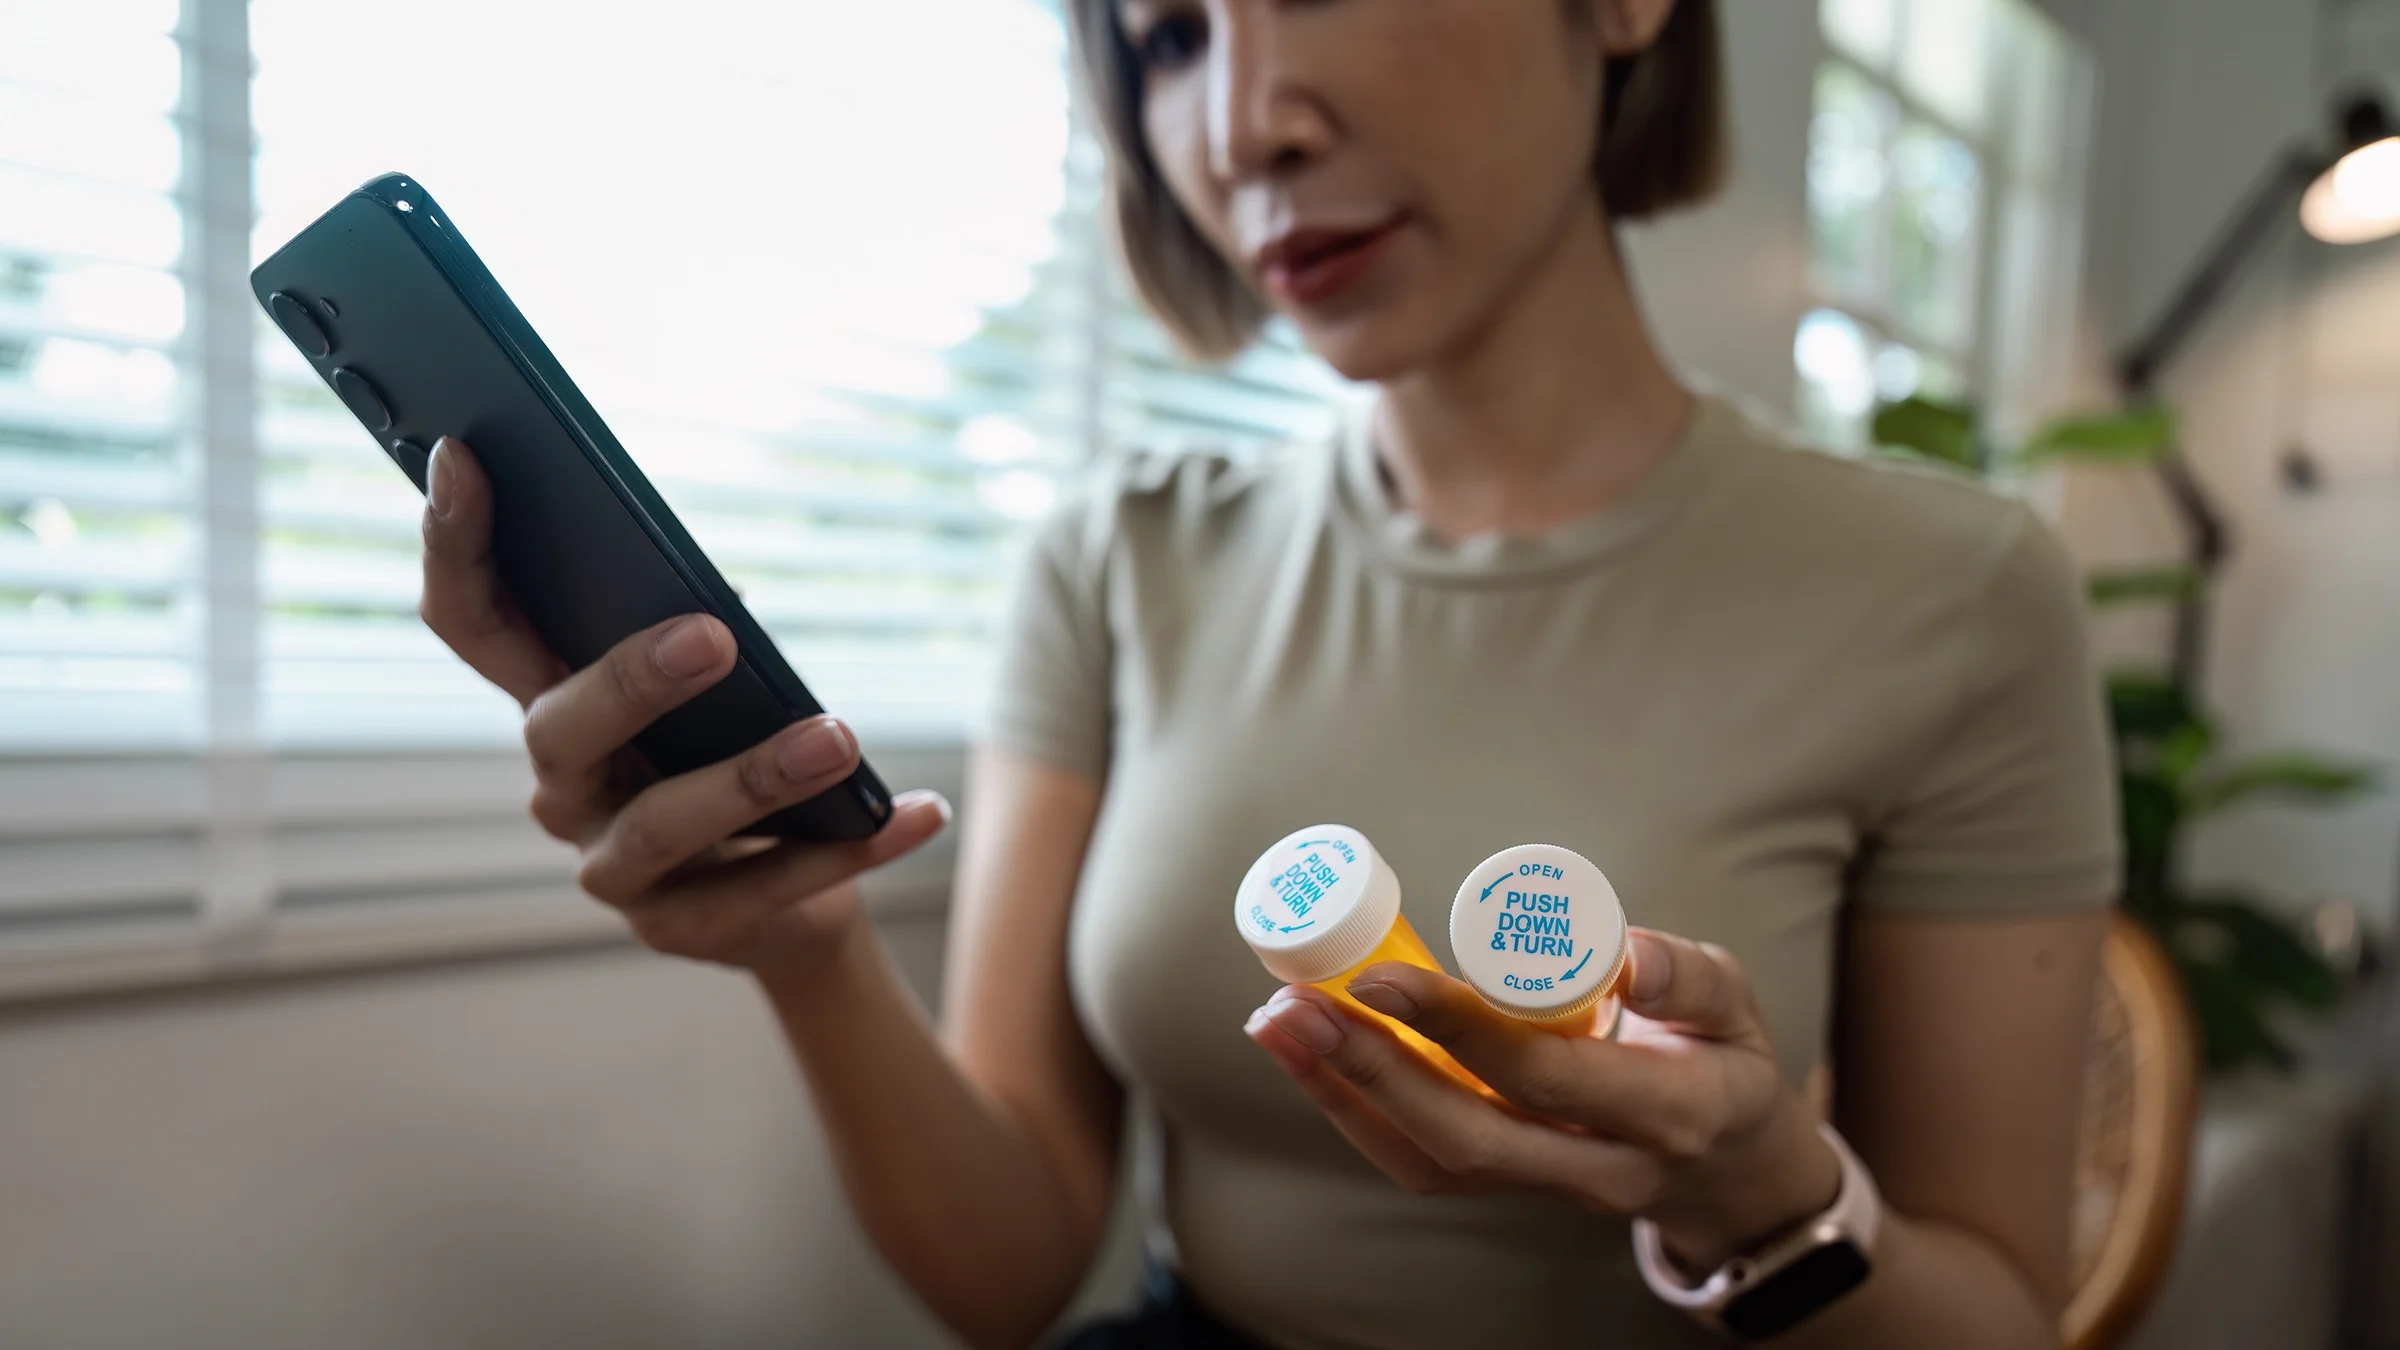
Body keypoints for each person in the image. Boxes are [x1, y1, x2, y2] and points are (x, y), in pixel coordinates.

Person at [414, 0, 2120, 1345]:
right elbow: (1011, 1274)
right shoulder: (1116, 559)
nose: (1237, 128)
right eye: (1167, 38)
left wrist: (1768, 1196)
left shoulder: (1957, 597)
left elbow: (1993, 1318)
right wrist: (808, 951)